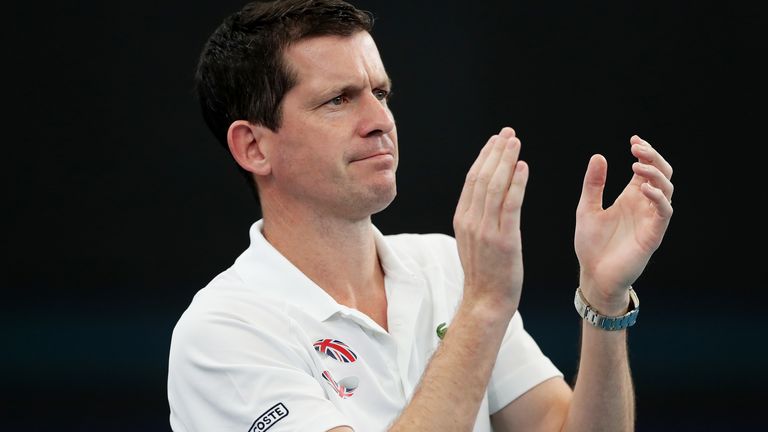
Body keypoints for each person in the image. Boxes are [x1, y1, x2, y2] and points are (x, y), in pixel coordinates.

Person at [167, 0, 675, 431]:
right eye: (338, 100)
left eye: (381, 93)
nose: (380, 121)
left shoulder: (447, 266)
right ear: (254, 147)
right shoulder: (222, 331)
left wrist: (603, 301)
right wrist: (482, 307)